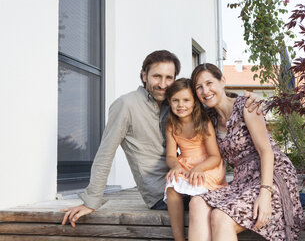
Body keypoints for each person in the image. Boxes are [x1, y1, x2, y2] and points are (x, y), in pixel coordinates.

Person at [61, 50, 263, 228]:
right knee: (211, 212)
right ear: (144, 75)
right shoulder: (126, 105)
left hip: (196, 178)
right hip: (163, 193)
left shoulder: (173, 104)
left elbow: (210, 99)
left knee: (222, 211)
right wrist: (91, 201)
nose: (163, 84)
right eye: (157, 76)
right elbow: (105, 153)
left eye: (169, 77)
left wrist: (245, 99)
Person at [188, 63, 303, 241]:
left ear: (222, 81)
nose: (205, 90)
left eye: (209, 83)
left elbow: (266, 152)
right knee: (196, 202)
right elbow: (179, 107)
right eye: (199, 87)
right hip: (243, 181)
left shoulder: (246, 107)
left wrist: (265, 195)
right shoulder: (209, 118)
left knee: (220, 217)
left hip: (272, 175)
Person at [164, 78, 227, 241]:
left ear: (194, 102)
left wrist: (200, 168)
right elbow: (171, 156)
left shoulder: (203, 122)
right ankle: (179, 238)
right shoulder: (171, 124)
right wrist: (175, 166)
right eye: (175, 100)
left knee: (196, 194)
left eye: (186, 100)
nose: (180, 105)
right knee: (171, 189)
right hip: (184, 163)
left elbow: (215, 156)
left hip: (207, 165)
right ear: (169, 102)